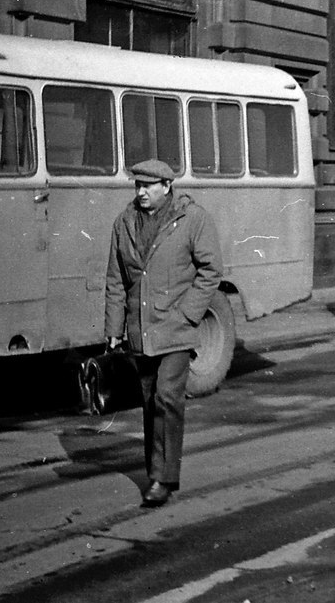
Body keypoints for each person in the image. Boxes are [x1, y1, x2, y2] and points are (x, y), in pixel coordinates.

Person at [105, 159, 223, 508]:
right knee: (149, 400)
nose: (140, 191)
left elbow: (211, 270)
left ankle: (162, 479)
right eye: (137, 185)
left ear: (167, 186)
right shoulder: (124, 223)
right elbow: (116, 280)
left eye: (148, 186)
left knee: (166, 398)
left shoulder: (192, 220)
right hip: (141, 331)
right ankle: (156, 470)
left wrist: (189, 313)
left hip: (176, 329)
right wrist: (114, 329)